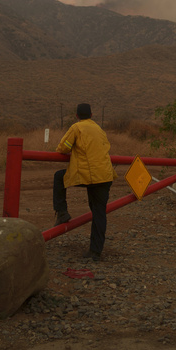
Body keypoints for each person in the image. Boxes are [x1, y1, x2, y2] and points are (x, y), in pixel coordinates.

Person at [52, 103, 114, 261]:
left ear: (77, 116)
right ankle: (95, 252)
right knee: (99, 213)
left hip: (89, 175)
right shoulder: (99, 130)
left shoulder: (76, 128)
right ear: (92, 115)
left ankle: (62, 212)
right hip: (105, 175)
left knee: (59, 177)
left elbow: (62, 148)